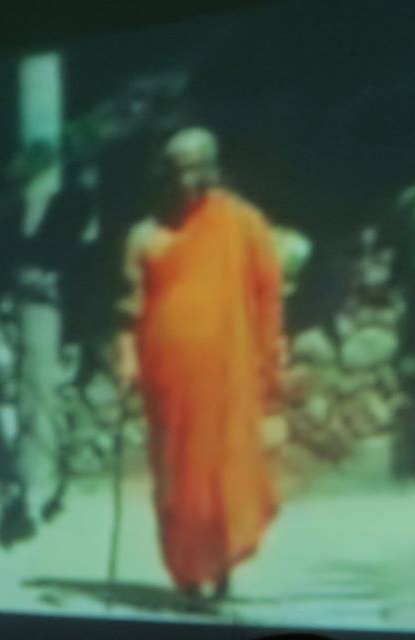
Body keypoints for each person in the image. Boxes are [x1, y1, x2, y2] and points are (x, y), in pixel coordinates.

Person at [119, 127, 285, 600]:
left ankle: (222, 567)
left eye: (194, 169)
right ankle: (187, 574)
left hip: (228, 372)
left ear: (213, 169)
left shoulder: (243, 223)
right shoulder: (145, 234)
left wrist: (267, 358)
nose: (185, 180)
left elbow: (269, 294)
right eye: (176, 170)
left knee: (223, 472)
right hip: (166, 376)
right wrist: (126, 357)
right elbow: (128, 308)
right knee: (175, 477)